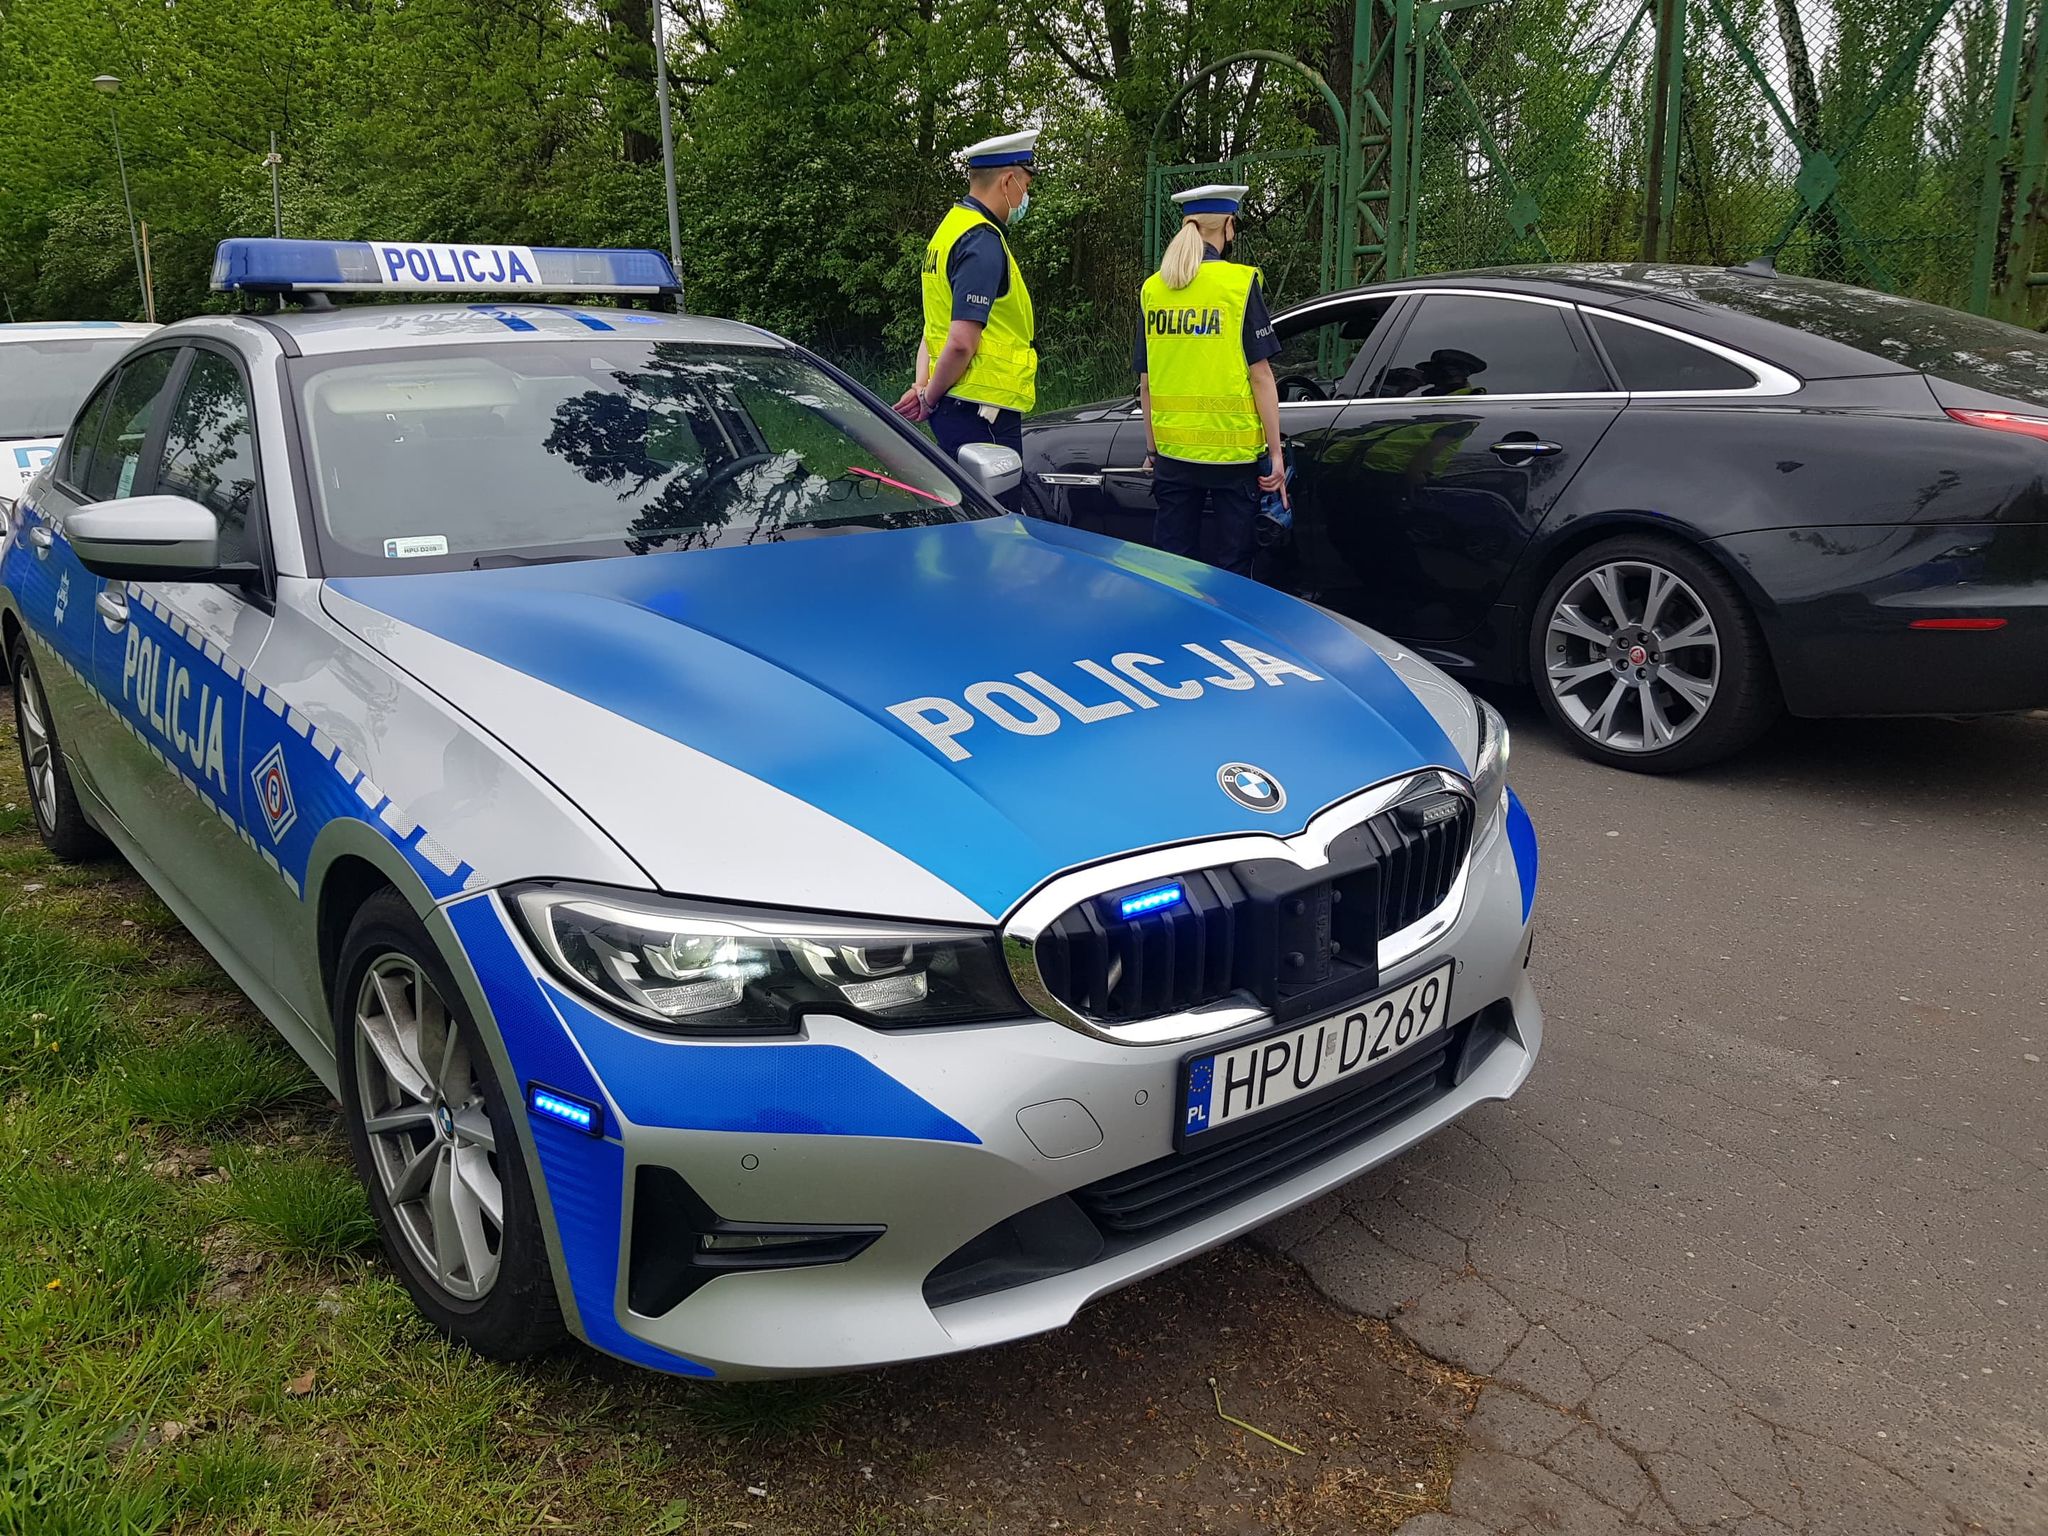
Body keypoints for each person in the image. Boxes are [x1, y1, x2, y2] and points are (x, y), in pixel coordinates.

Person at [1135, 184, 1286, 576]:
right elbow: (1261, 376)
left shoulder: (1154, 290)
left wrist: (1152, 451)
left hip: (1172, 459)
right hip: (1232, 461)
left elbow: (1146, 382)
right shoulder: (1239, 284)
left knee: (1171, 567)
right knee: (1233, 570)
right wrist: (1276, 454)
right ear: (1228, 227)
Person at [894, 129, 1037, 507]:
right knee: (995, 524)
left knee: (963, 516)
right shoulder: (982, 240)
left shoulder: (947, 231)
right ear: (1008, 181)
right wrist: (929, 397)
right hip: (982, 414)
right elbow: (959, 341)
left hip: (956, 405)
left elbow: (932, 328)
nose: (1027, 196)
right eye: (1026, 183)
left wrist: (923, 385)